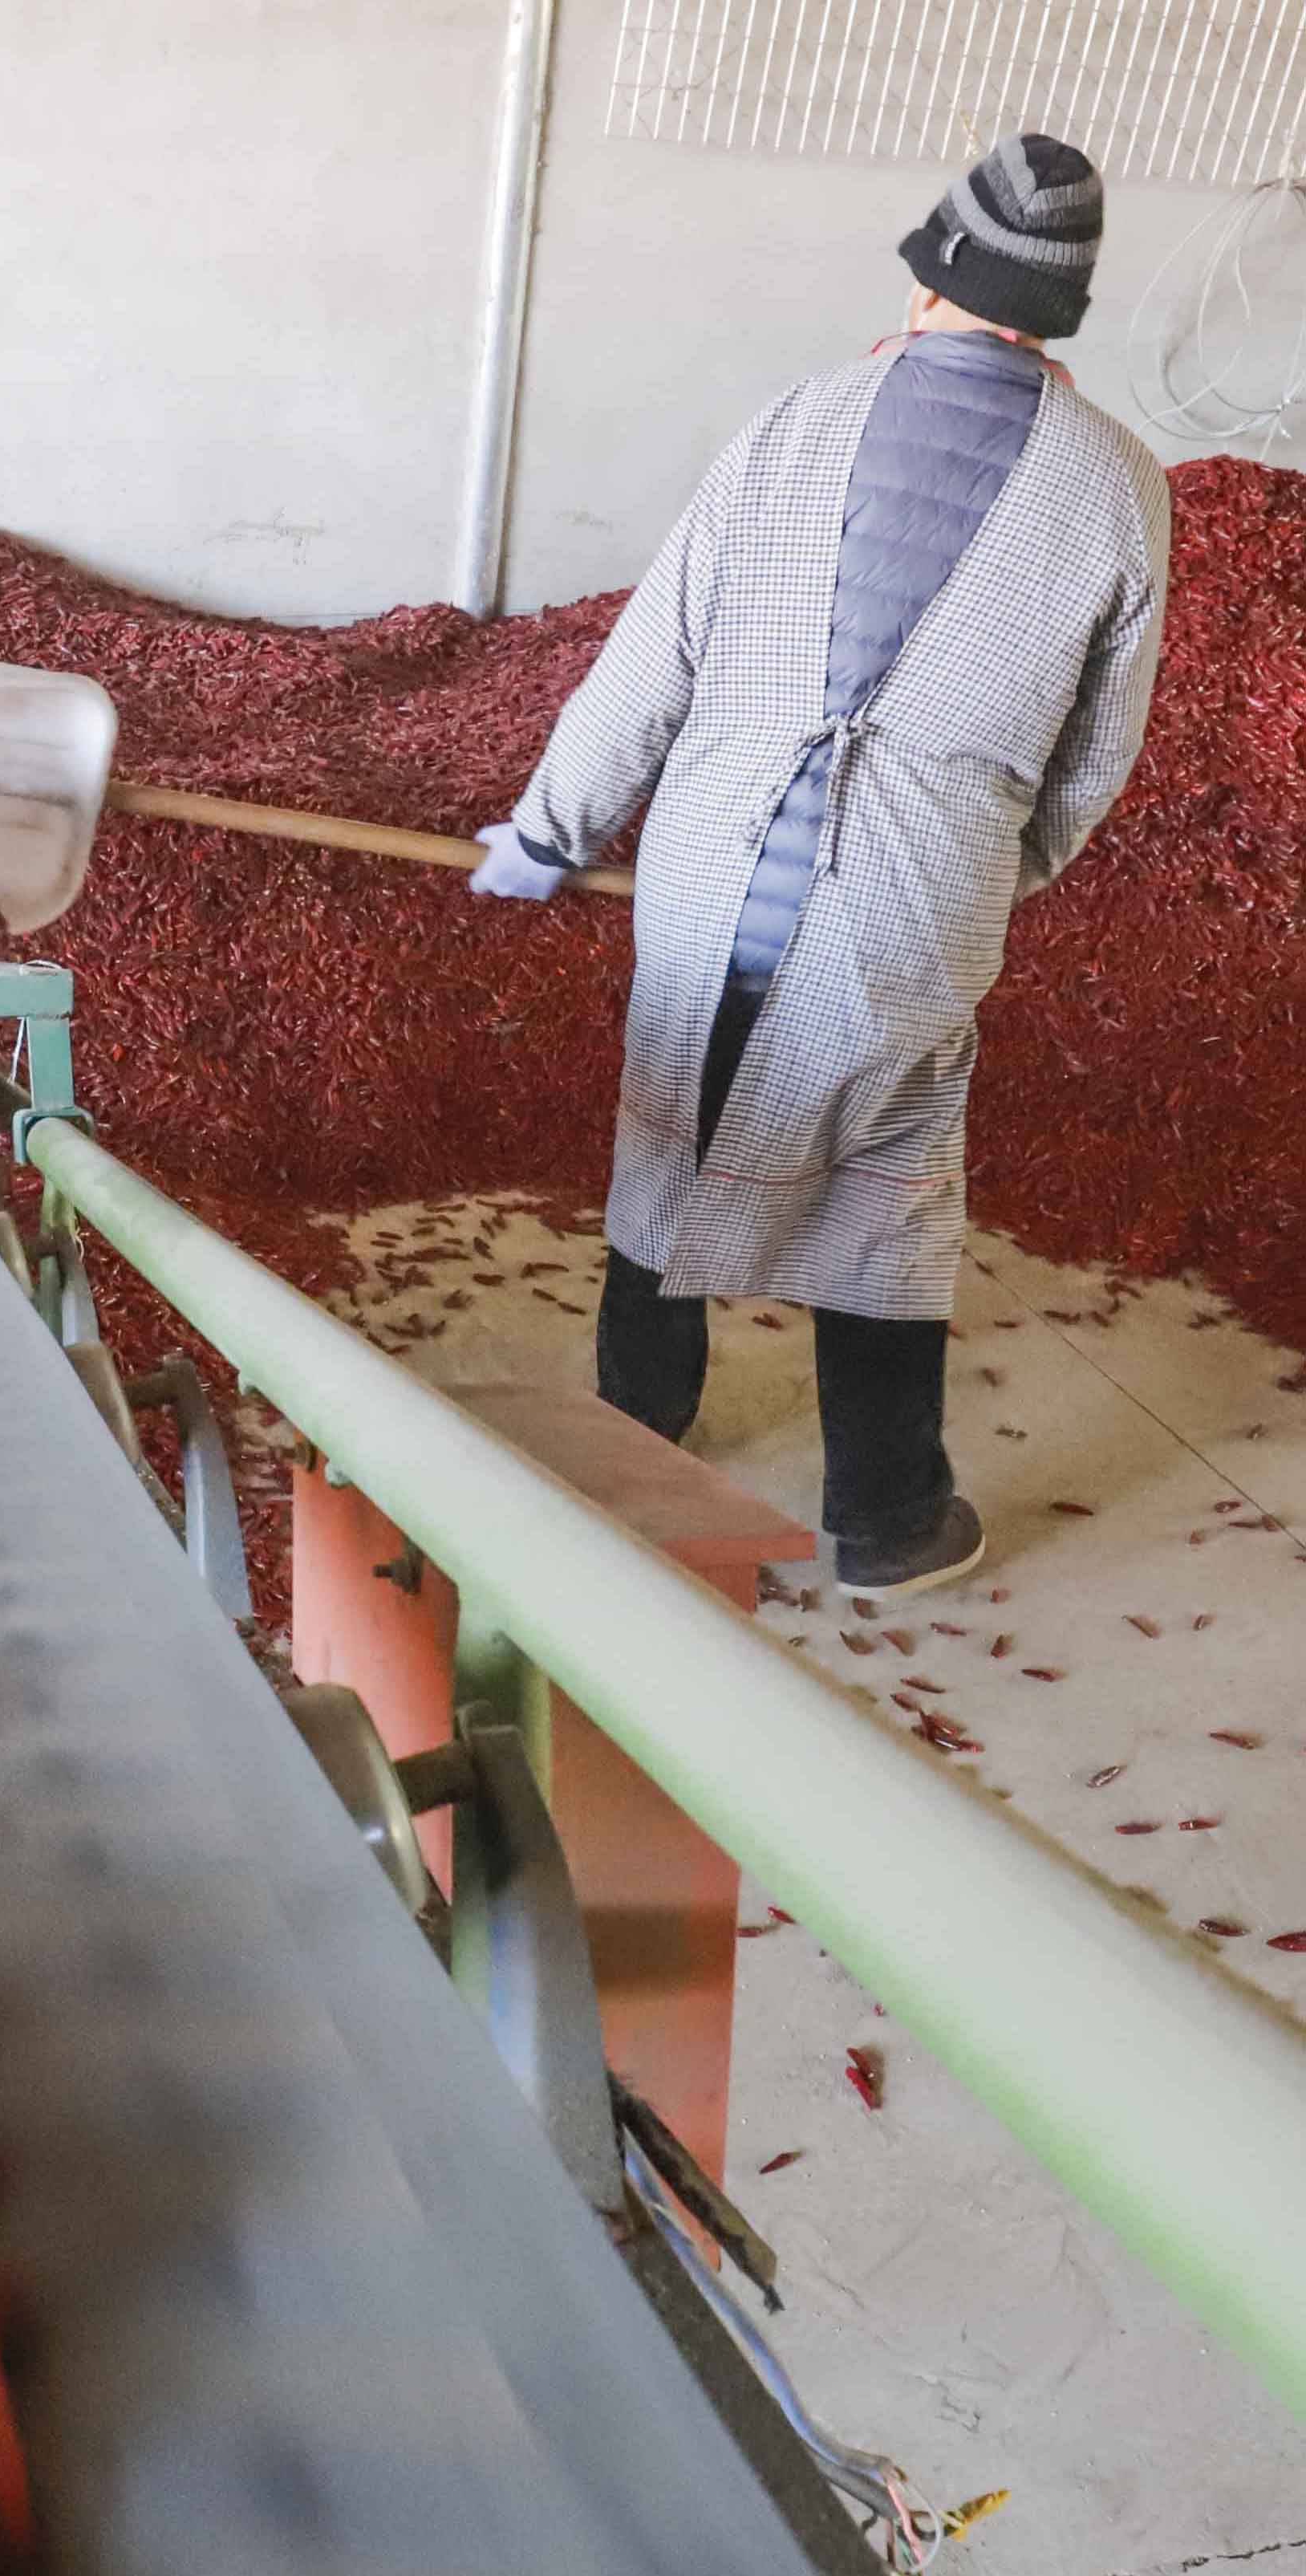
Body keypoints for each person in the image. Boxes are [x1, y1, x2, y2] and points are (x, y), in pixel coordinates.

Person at [473, 135, 1169, 1598]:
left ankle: (634, 1431)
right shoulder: (1118, 489)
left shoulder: (797, 421)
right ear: (1055, 311)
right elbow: (1092, 764)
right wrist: (985, 868)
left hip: (714, 867)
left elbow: (647, 662)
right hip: (908, 909)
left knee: (670, 1114)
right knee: (889, 1181)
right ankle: (887, 1514)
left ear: (931, 277)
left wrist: (549, 830)